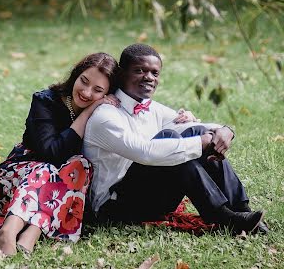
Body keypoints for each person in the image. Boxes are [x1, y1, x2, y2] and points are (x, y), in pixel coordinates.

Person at [83, 43, 266, 235]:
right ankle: (221, 216)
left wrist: (223, 130)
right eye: (139, 71)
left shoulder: (150, 107)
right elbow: (145, 153)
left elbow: (190, 127)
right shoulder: (105, 116)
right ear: (121, 74)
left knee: (186, 135)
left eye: (155, 73)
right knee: (169, 145)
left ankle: (241, 210)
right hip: (112, 207)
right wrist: (201, 142)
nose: (149, 78)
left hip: (147, 197)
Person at [0, 52, 119, 257]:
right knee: (47, 168)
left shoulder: (104, 114)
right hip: (16, 180)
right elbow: (51, 153)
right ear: (75, 75)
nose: (86, 92)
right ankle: (8, 230)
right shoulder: (44, 101)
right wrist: (86, 114)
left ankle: (32, 232)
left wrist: (175, 117)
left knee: (81, 165)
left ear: (107, 94)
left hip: (58, 187)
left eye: (98, 90)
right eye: (84, 81)